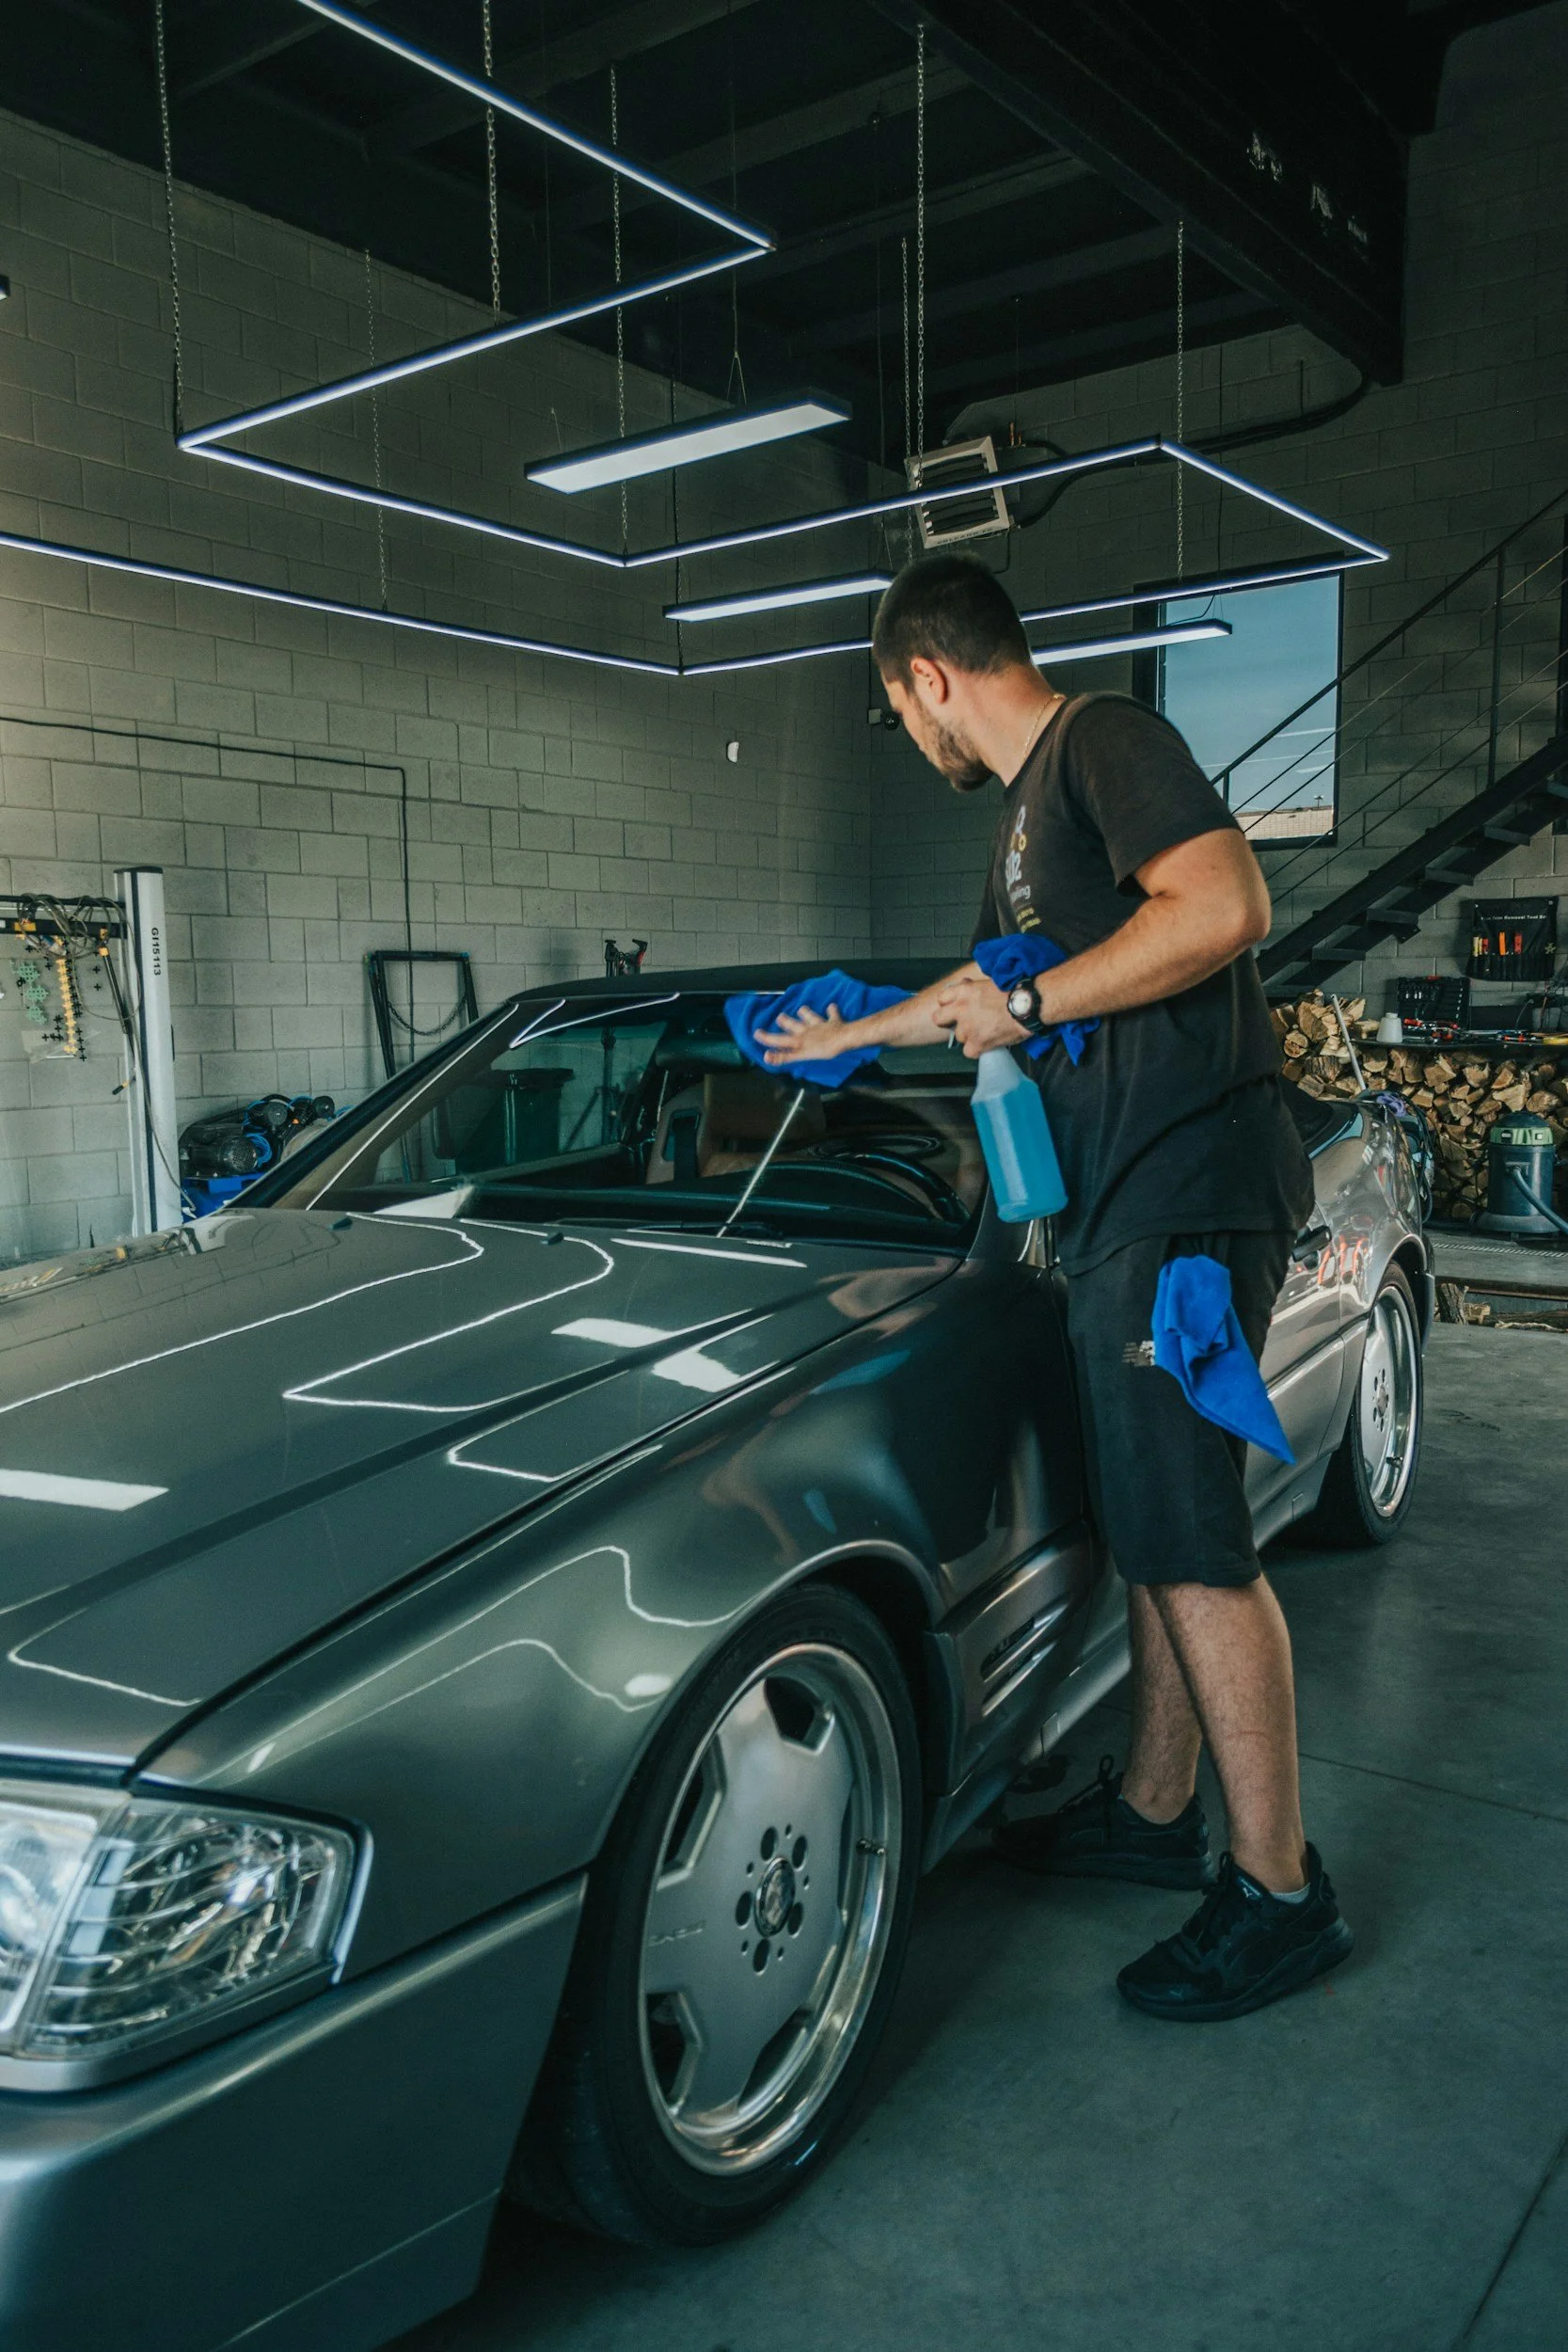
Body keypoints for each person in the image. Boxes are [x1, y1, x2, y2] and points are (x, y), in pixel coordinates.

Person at [755, 552, 1354, 2023]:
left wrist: (1024, 1000)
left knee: (1196, 1543)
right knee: (1149, 1526)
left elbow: (1222, 906)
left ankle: (1278, 1890)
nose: (915, 741)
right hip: (1121, 1213)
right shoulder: (1027, 823)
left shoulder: (1103, 745)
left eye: (904, 716)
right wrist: (838, 1036)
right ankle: (1152, 1817)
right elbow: (991, 1003)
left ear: (927, 676)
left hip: (1188, 1196)